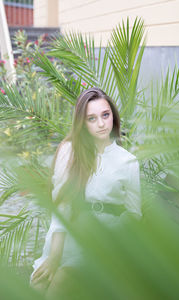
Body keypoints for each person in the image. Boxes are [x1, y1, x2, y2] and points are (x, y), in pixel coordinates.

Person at [30, 87, 142, 296]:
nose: (101, 124)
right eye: (91, 118)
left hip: (107, 238)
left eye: (105, 115)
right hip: (70, 234)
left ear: (113, 117)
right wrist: (54, 257)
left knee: (61, 282)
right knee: (38, 286)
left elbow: (134, 214)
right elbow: (61, 205)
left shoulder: (128, 161)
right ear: (82, 123)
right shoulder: (70, 151)